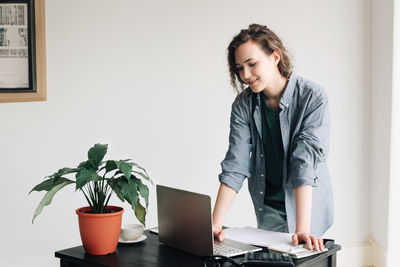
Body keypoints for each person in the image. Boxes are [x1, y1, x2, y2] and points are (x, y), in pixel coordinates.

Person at [212, 24, 333, 252]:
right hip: (268, 207)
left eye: (252, 64)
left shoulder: (313, 97)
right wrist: (214, 225)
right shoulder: (243, 105)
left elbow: (304, 161)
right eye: (239, 68)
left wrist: (302, 227)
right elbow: (236, 163)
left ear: (275, 56)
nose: (245, 75)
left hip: (306, 207)